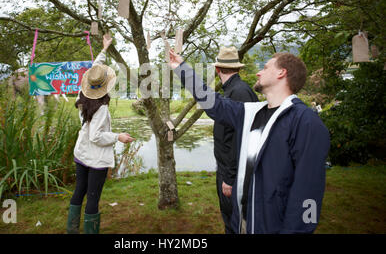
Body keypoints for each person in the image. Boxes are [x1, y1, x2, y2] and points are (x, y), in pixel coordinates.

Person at [169, 49, 330, 234]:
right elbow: (215, 104)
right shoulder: (251, 113)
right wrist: (182, 69)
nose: (258, 72)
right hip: (243, 223)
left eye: (265, 67)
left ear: (281, 73)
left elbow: (308, 193)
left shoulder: (306, 122)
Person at [66, 35, 134, 234]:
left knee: (79, 191)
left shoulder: (82, 94)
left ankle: (71, 230)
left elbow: (95, 70)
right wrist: (117, 136)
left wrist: (104, 49)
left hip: (82, 154)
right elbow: (97, 136)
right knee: (93, 197)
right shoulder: (102, 108)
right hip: (95, 159)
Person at [212, 46, 258, 234]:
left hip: (234, 173)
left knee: (235, 221)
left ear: (217, 69)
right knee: (229, 218)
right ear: (238, 68)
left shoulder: (239, 92)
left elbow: (243, 139)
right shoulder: (232, 90)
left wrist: (230, 178)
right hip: (227, 169)